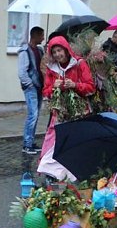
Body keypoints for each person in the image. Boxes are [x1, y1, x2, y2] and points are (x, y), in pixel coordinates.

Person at [37, 35, 96, 181]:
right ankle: (54, 173)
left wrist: (75, 85)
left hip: (79, 111)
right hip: (60, 112)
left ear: (66, 49)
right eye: (54, 52)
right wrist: (53, 87)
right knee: (55, 140)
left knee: (76, 142)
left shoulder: (80, 64)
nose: (57, 55)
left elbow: (90, 87)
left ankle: (75, 174)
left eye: (59, 50)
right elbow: (45, 91)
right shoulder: (52, 69)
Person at [18, 26, 45, 154]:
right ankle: (27, 145)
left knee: (36, 115)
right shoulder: (25, 51)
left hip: (40, 86)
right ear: (35, 36)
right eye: (42, 35)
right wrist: (30, 85)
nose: (43, 38)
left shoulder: (39, 50)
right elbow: (22, 72)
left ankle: (31, 142)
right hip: (32, 88)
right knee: (32, 115)